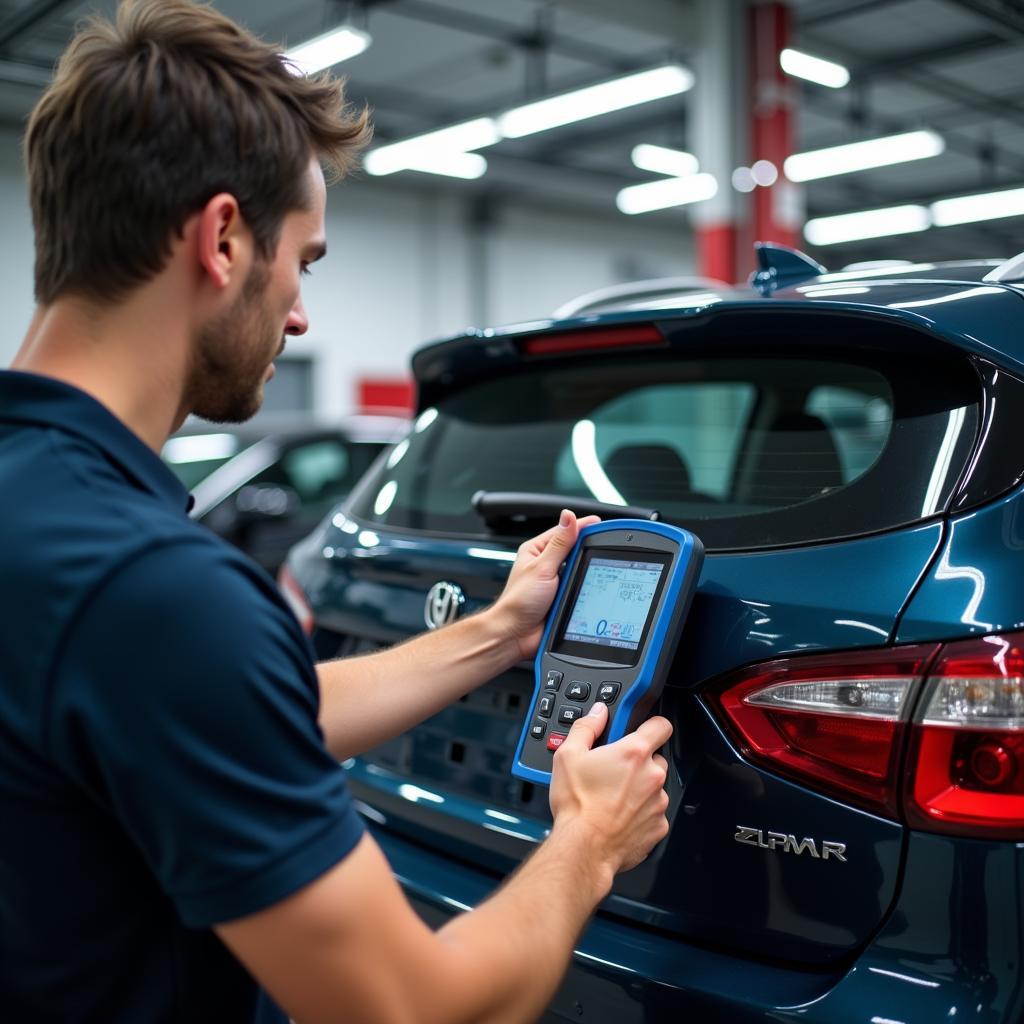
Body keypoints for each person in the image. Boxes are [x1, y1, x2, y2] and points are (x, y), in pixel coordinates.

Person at [0, 1, 673, 1021]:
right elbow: (407, 1007)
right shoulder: (146, 589)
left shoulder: (43, 512)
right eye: (303, 260)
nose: (301, 310)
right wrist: (586, 844)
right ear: (223, 239)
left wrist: (500, 632)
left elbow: (229, 717)